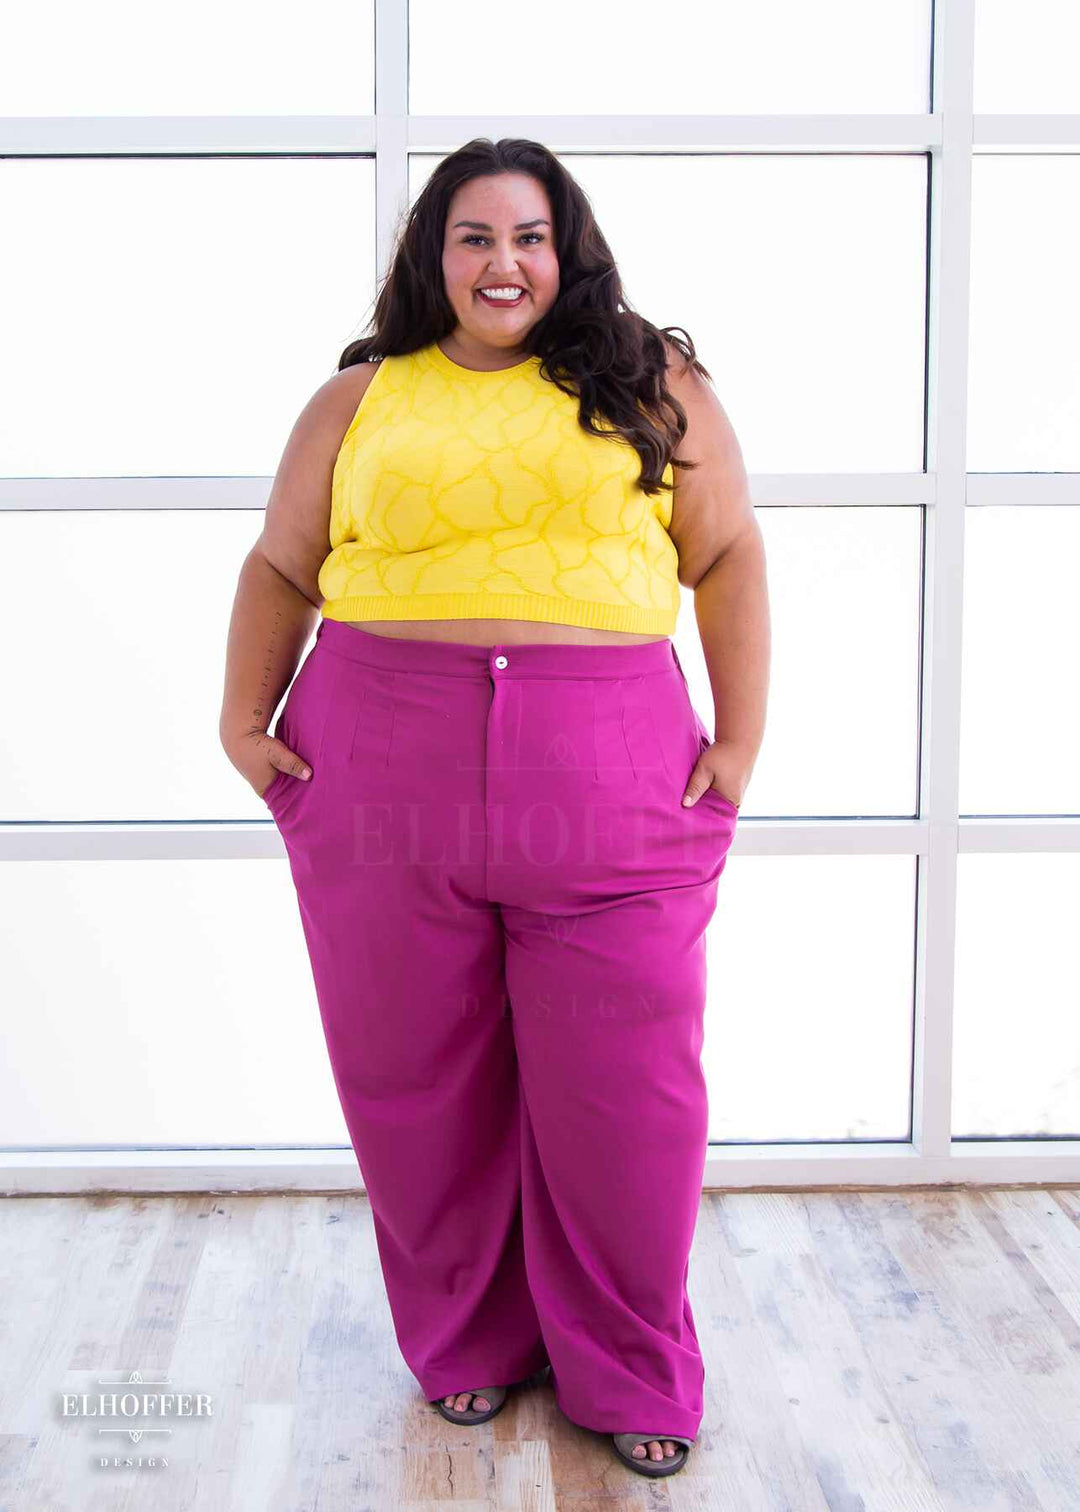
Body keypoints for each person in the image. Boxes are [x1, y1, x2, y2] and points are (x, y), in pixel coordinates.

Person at [220, 136, 769, 1481]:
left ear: (565, 249)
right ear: (434, 257)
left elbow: (730, 551)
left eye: (527, 235)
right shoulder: (359, 400)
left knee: (628, 1099)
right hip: (381, 765)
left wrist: (741, 745)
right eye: (472, 237)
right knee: (418, 1081)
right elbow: (284, 562)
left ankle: (633, 1364)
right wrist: (243, 722)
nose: (502, 263)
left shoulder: (653, 384)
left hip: (609, 774)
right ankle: (466, 1343)